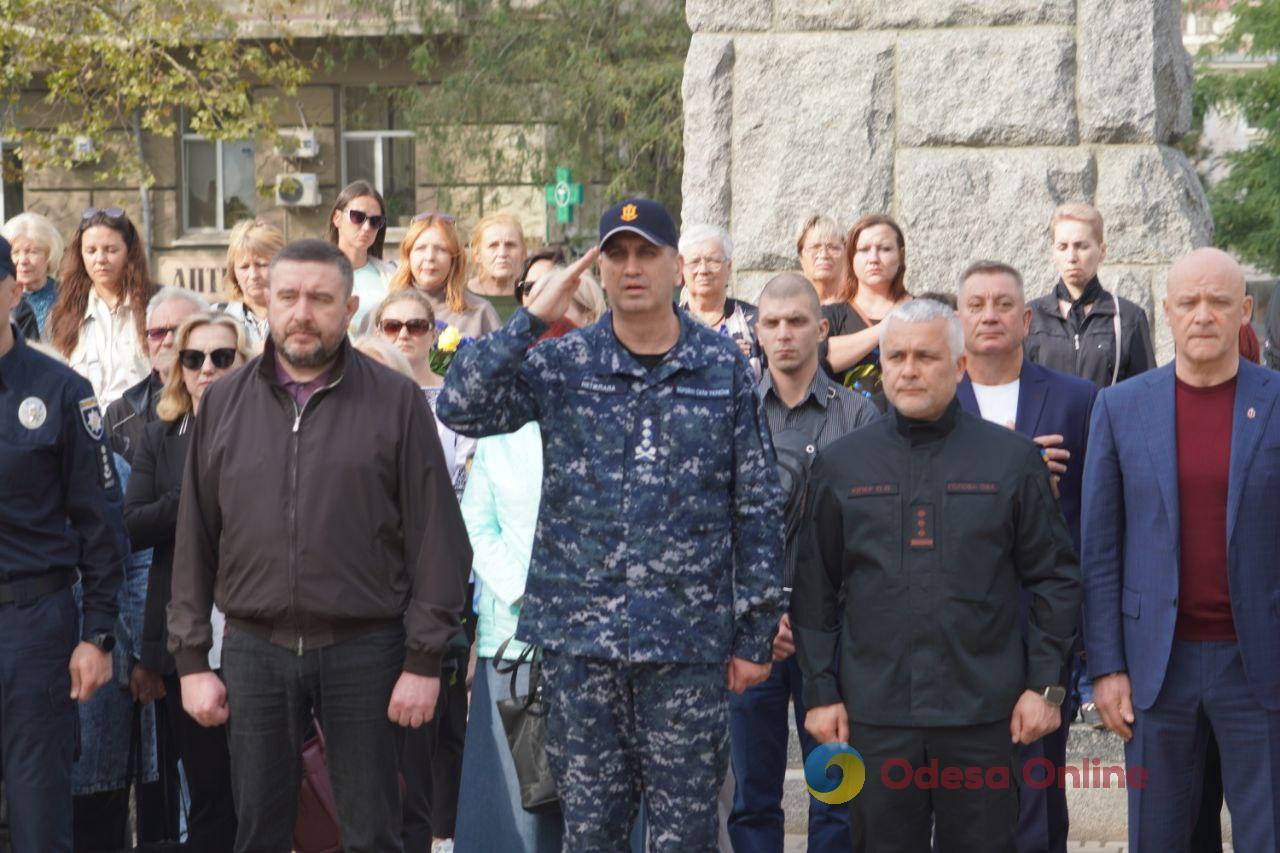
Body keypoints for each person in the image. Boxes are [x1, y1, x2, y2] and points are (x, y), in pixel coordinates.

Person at [437, 198, 786, 849]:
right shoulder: (563, 363)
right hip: (582, 649)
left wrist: (756, 632)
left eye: (647, 252)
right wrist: (531, 316)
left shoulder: (721, 367)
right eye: (616, 254)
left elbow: (757, 505)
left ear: (677, 266)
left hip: (687, 648)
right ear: (597, 270)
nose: (632, 268)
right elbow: (462, 404)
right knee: (590, 832)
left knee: (685, 835)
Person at [167, 239, 473, 851]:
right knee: (258, 833)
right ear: (267, 303)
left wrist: (422, 661)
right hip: (254, 650)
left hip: (367, 651)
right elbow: (195, 540)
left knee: (372, 834)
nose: (302, 312)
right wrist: (193, 660)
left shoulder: (395, 403)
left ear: (350, 305)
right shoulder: (223, 403)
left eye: (319, 298)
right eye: (288, 297)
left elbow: (439, 541)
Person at [794, 299, 1081, 853]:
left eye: (926, 356)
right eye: (896, 356)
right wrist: (820, 692)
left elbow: (1055, 577)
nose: (908, 369)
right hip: (876, 718)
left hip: (983, 715)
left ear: (959, 366)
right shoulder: (841, 465)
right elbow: (815, 589)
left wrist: (1044, 686)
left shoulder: (1011, 461)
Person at [1082, 247, 1280, 852]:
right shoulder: (1120, 407)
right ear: (1165, 310)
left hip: (1260, 667)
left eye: (1219, 301)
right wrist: (1107, 669)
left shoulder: (1276, 401)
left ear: (1244, 311)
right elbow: (1100, 551)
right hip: (1154, 671)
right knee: (1160, 838)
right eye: (1188, 302)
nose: (1203, 314)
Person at [453, 265, 607, 852]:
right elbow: (477, 523)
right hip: (515, 642)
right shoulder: (500, 424)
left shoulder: (612, 417)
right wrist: (533, 592)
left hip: (600, 648)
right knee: (518, 817)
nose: (554, 345)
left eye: (567, 330)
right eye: (544, 333)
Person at [727, 272, 875, 852]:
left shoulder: (860, 417)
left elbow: (868, 532)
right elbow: (717, 526)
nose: (784, 333)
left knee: (837, 793)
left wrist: (817, 617)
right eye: (772, 322)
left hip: (835, 638)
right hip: (753, 637)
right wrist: (758, 614)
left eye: (796, 322)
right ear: (757, 331)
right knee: (752, 799)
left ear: (820, 328)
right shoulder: (734, 414)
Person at [954, 260, 1098, 853]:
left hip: (1044, 625)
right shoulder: (933, 400)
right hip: (956, 627)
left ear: (1027, 317)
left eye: (1003, 304)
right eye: (977, 304)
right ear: (958, 318)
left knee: (1039, 795)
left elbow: (1096, 514)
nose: (990, 314)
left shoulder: (1077, 398)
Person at [0, 235, 127, 852]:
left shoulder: (59, 390)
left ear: (13, 289)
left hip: (34, 623)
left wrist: (97, 632)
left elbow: (101, 523)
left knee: (37, 813)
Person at [124, 312, 249, 853]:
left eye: (222, 357)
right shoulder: (160, 437)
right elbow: (133, 525)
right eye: (194, 359)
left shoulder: (277, 431)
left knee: (263, 788)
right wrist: (198, 490)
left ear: (244, 364)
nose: (207, 369)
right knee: (207, 791)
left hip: (261, 632)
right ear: (179, 369)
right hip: (189, 637)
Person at [1025, 202, 1156, 388]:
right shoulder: (1031, 317)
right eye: (1063, 247)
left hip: (1104, 418)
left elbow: (1145, 393)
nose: (1071, 257)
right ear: (1053, 252)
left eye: (1081, 246)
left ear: (1102, 252)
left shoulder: (1128, 318)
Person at [48, 207, 156, 405]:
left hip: (144, 427)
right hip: (84, 427)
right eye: (91, 251)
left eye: (111, 250)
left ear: (129, 252)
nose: (100, 259)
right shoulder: (64, 313)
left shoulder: (155, 307)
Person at [371, 289, 471, 494]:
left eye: (416, 326)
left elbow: (466, 476)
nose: (404, 335)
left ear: (434, 335)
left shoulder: (458, 398)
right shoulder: (360, 398)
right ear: (378, 334)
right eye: (392, 327)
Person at [104, 287, 207, 462]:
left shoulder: (226, 405)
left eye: (180, 331)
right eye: (157, 333)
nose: (167, 341)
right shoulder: (119, 415)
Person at [821, 214, 912, 409]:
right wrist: (886, 327)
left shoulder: (923, 310)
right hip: (848, 431)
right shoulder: (831, 316)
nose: (874, 258)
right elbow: (821, 356)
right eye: (863, 250)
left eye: (885, 249)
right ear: (851, 256)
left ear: (901, 254)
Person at [389, 212, 501, 338]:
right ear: (408, 255)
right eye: (421, 248)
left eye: (441, 249)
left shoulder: (480, 313)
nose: (430, 257)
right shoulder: (385, 313)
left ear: (454, 258)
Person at [678, 224, 761, 374]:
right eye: (695, 262)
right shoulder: (670, 324)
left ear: (729, 267)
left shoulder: (755, 321)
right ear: (681, 269)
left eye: (713, 261)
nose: (703, 270)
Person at [328, 180, 397, 333]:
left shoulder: (392, 276)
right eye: (357, 217)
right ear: (337, 218)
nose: (366, 228)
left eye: (375, 221)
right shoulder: (314, 272)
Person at [215, 218, 284, 348]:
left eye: (262, 265)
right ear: (233, 272)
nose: (253, 275)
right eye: (244, 267)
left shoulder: (296, 315)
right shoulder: (218, 317)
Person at [2, 211, 63, 336]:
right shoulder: (2, 297)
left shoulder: (67, 296)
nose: (23, 260)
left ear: (49, 255)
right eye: (15, 252)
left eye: (33, 252)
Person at [467, 212, 528, 322]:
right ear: (477, 255)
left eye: (510, 245)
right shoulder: (460, 297)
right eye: (493, 245)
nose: (502, 253)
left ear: (524, 253)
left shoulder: (533, 297)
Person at [796, 214, 846, 305]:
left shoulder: (861, 309)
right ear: (801, 257)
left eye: (833, 247)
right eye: (814, 247)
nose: (824, 255)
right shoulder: (787, 307)